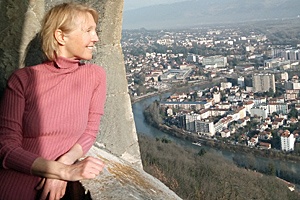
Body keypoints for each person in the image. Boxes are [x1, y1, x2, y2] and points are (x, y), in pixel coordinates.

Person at [0, 2, 106, 200]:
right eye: (88, 30)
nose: (96, 38)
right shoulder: (23, 79)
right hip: (13, 186)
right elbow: (6, 147)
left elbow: (90, 132)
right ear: (61, 36)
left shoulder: (95, 76)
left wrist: (64, 164)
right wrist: (63, 172)